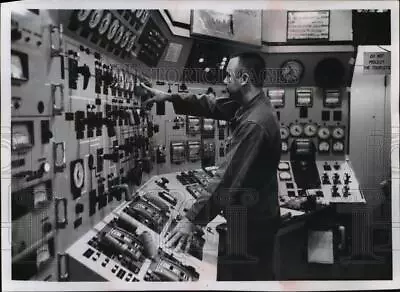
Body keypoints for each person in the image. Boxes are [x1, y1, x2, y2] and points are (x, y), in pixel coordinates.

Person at [141, 52, 281, 280]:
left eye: (228, 76)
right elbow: (213, 105)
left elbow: (228, 177)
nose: (224, 81)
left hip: (253, 224)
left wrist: (191, 220)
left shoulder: (255, 123)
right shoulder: (250, 106)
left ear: (244, 78)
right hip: (255, 215)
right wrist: (168, 98)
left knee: (251, 278)